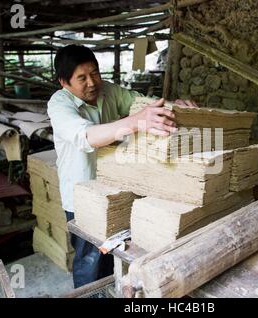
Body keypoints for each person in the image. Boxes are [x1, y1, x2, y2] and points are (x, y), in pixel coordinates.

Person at [47, 44, 196, 288]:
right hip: (83, 197)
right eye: (81, 78)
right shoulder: (59, 105)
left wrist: (172, 105)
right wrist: (136, 122)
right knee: (90, 262)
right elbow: (86, 137)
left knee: (115, 254)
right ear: (64, 82)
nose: (92, 82)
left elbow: (143, 104)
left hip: (116, 190)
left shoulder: (109, 91)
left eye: (94, 73)